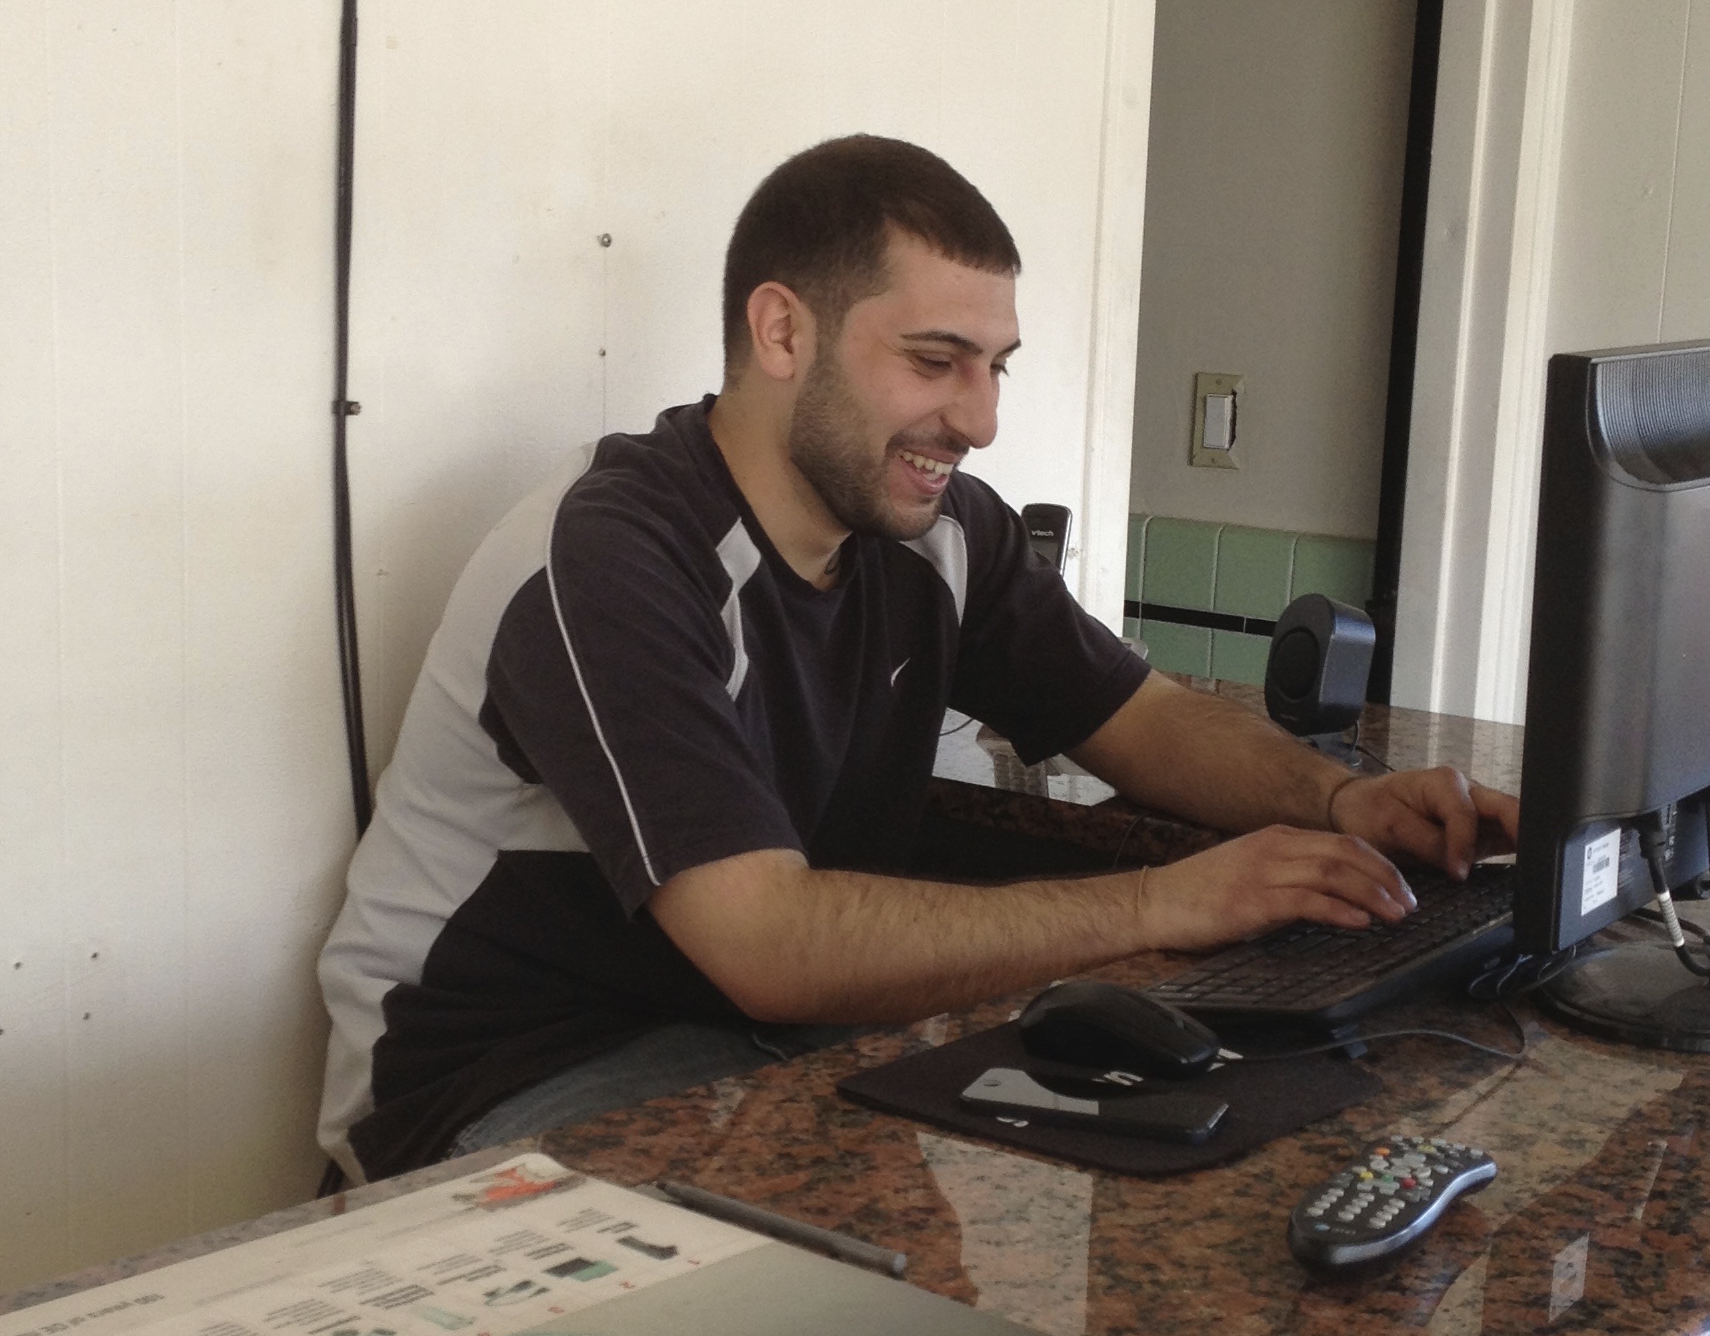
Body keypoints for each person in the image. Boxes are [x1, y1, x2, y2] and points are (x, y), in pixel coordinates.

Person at [316, 136, 1516, 1181]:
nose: (981, 419)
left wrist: (1340, 800)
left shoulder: (939, 534)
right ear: (782, 331)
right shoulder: (609, 555)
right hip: (503, 1075)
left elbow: (1140, 717)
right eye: (936, 362)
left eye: (997, 366)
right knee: (854, 1259)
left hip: (755, 1041)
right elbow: (768, 946)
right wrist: (1165, 902)